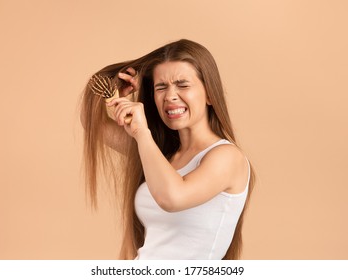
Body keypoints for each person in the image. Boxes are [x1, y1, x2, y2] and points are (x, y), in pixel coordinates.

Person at [81, 39, 255, 260]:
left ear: (210, 94)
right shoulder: (162, 155)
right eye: (160, 87)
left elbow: (172, 198)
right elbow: (92, 124)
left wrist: (142, 133)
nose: (170, 96)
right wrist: (114, 94)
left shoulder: (227, 157)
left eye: (182, 85)